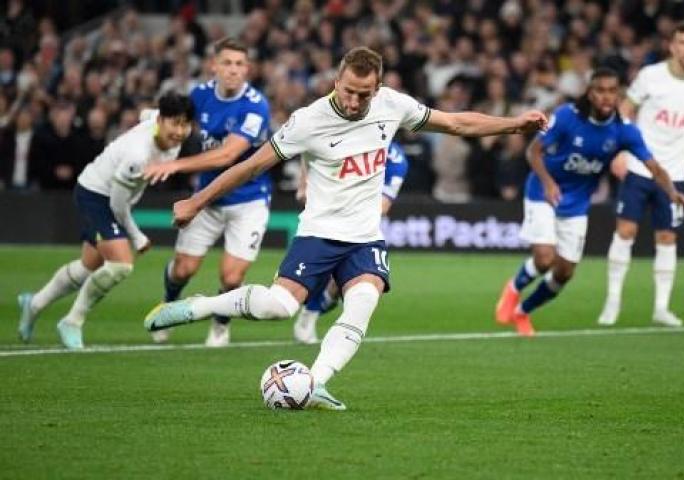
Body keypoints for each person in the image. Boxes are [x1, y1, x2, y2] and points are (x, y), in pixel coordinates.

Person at [144, 46, 547, 410]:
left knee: (362, 304)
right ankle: (199, 306)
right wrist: (195, 203)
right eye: (349, 91)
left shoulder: (391, 105)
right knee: (278, 307)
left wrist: (514, 125)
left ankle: (313, 383)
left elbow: (456, 123)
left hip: (365, 236)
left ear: (378, 88)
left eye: (364, 94)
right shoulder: (308, 121)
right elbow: (251, 165)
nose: (355, 101)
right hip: (319, 231)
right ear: (337, 81)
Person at [495, 67, 684, 337]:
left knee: (564, 273)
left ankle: (523, 312)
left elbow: (654, 167)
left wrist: (672, 192)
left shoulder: (624, 132)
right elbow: (533, 151)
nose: (606, 97)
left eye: (612, 91)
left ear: (619, 94)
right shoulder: (566, 117)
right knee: (544, 258)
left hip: (576, 203)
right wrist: (549, 182)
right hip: (543, 191)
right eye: (600, 90)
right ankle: (512, 291)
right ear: (590, 92)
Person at [17, 93, 194, 349]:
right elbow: (117, 206)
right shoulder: (138, 155)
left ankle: (33, 304)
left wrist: (147, 115)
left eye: (185, 124)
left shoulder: (161, 127)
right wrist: (137, 235)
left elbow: (146, 113)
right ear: (161, 121)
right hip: (96, 194)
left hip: (110, 196)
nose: (179, 131)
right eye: (174, 123)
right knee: (121, 264)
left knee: (88, 266)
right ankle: (72, 321)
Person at [146, 38, 273, 347]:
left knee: (231, 278)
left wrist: (176, 166)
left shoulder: (256, 106)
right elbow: (175, 130)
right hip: (207, 200)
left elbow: (228, 156)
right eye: (227, 63)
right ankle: (168, 304)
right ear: (213, 66)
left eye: (239, 64)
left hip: (249, 201)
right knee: (182, 270)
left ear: (248, 69)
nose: (233, 70)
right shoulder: (199, 96)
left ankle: (220, 323)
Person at [597, 21, 684, 327]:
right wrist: (621, 151)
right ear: (672, 47)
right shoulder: (651, 77)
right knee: (626, 232)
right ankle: (612, 301)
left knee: (666, 236)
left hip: (673, 174)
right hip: (640, 166)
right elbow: (625, 110)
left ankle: (661, 308)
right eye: (683, 42)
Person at [292, 140, 409, 344]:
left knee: (340, 287)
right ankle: (306, 317)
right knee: (311, 280)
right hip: (323, 220)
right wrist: (306, 183)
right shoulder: (345, 139)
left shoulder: (395, 159)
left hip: (358, 225)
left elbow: (383, 206)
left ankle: (311, 315)